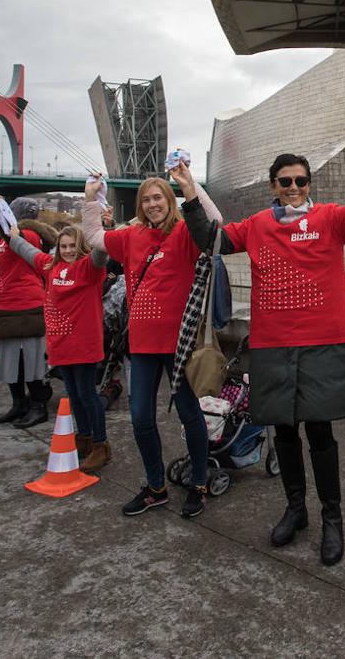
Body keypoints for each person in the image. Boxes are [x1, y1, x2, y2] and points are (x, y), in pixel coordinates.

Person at [175, 152, 345, 565]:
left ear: (309, 184)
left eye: (299, 181)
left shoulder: (331, 218)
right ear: (273, 187)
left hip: (323, 345)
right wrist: (189, 192)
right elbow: (212, 241)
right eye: (284, 182)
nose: (293, 188)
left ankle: (332, 519)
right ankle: (295, 510)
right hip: (272, 346)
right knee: (283, 431)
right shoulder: (259, 225)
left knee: (319, 433)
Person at [80, 174, 220, 518]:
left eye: (158, 198)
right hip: (141, 344)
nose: (152, 204)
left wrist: (191, 186)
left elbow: (215, 224)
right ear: (140, 206)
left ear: (169, 202)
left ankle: (199, 483)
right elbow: (95, 237)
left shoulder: (186, 232)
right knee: (140, 416)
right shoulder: (131, 236)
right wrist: (90, 199)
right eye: (146, 200)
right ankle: (156, 487)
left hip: (179, 344)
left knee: (190, 416)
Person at [9, 223, 111, 473]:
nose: (67, 251)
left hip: (84, 344)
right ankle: (84, 438)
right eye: (63, 246)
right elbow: (25, 250)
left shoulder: (89, 268)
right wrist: (10, 235)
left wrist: (101, 230)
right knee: (73, 395)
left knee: (87, 394)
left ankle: (101, 445)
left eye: (72, 246)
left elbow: (100, 251)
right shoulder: (49, 266)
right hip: (60, 345)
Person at [0, 197, 55, 429]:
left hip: (25, 304)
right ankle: (18, 402)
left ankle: (38, 405)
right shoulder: (6, 237)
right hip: (5, 304)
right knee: (11, 359)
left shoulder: (28, 236)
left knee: (30, 359)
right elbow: (4, 239)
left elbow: (14, 241)